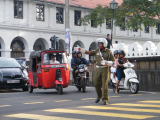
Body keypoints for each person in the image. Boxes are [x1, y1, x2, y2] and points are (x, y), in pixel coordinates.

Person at [74, 38, 115, 105]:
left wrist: (107, 62)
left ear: (104, 44)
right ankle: (99, 96)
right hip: (98, 69)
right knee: (96, 83)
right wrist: (81, 50)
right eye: (98, 43)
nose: (99, 45)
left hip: (105, 69)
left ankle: (105, 99)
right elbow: (89, 52)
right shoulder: (97, 50)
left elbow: (113, 62)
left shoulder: (109, 52)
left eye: (100, 43)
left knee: (104, 85)